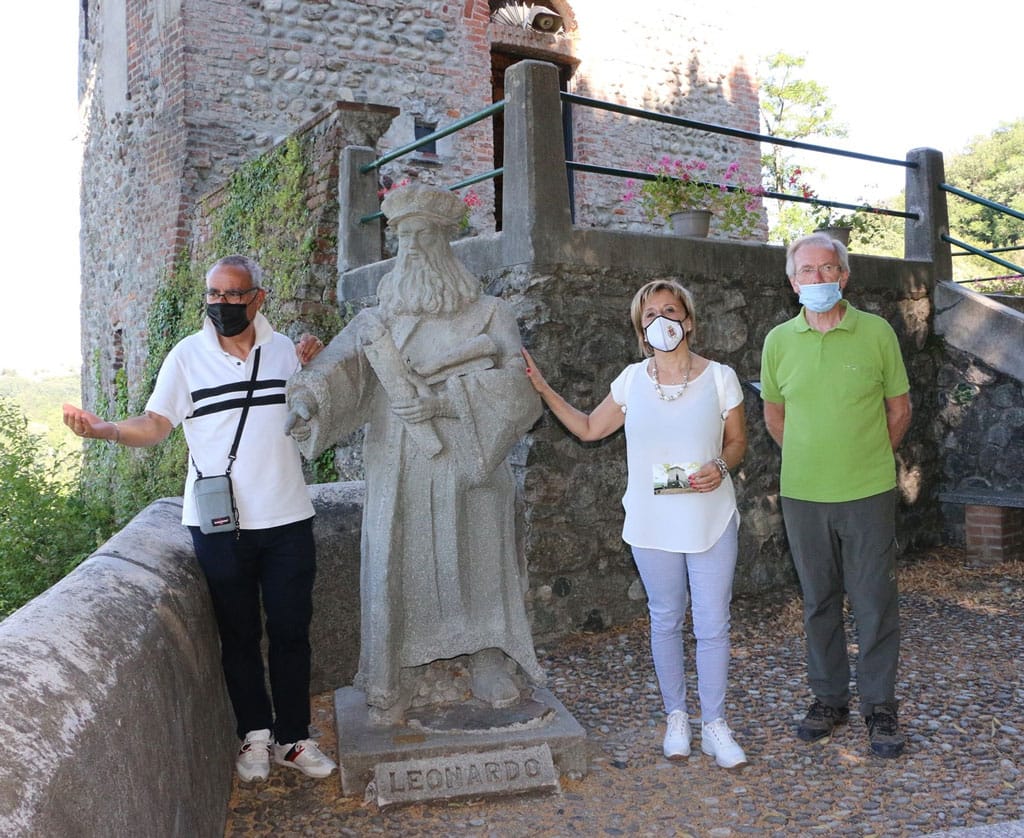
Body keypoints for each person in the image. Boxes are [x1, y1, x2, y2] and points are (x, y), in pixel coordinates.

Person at [62, 254, 337, 783]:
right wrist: (107, 431)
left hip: (286, 518)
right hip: (218, 526)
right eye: (214, 295)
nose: (223, 305)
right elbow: (156, 423)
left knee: (290, 632)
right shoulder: (186, 357)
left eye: (235, 295)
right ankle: (255, 735)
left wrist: (318, 363)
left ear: (258, 298)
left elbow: (322, 405)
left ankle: (294, 739)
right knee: (237, 634)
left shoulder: (285, 353)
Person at [285, 184, 545, 725]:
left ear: (447, 242)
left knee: (477, 555)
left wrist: (444, 405)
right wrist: (309, 398)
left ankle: (487, 656)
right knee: (400, 562)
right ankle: (395, 671)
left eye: (424, 235)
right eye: (402, 238)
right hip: (398, 465)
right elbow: (344, 372)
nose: (412, 248)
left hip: (470, 464)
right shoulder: (380, 321)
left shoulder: (490, 314)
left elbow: (518, 392)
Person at [522, 278, 749, 769]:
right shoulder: (630, 381)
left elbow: (736, 443)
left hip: (711, 517)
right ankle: (676, 718)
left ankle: (715, 725)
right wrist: (542, 389)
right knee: (665, 619)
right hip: (651, 522)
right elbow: (587, 428)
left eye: (670, 311)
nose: (661, 321)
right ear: (641, 330)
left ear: (688, 320)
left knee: (713, 625)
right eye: (650, 316)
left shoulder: (720, 377)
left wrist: (723, 466)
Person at [760, 233, 912, 759]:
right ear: (792, 280)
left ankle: (880, 706)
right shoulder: (778, 340)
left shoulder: (876, 333)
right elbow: (774, 416)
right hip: (803, 495)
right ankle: (828, 699)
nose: (818, 279)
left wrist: (866, 458)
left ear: (844, 276)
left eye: (828, 270)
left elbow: (900, 409)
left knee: (874, 602)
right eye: (807, 271)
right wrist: (812, 459)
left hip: (868, 492)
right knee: (818, 601)